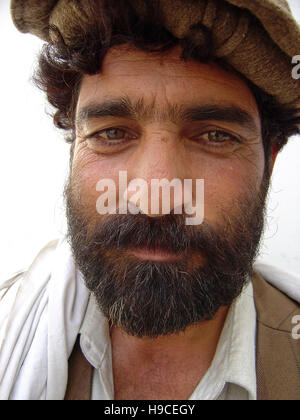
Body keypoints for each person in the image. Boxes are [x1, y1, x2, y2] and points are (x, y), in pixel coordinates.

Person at [0, 0, 300, 401]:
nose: (155, 201)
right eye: (111, 133)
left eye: (214, 136)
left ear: (270, 160)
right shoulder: (10, 324)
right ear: (73, 149)